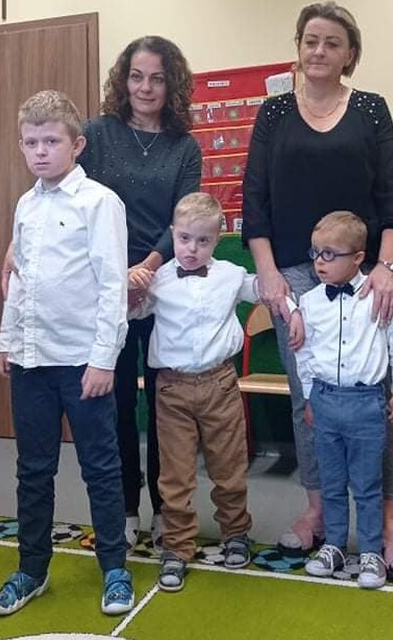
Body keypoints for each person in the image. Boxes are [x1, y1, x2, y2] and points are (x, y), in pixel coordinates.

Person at [242, 0, 393, 575]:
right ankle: (319, 512)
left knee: (374, 397)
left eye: (332, 42)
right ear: (298, 47)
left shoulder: (370, 109)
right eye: (310, 40)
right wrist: (269, 273)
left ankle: (389, 522)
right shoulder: (273, 113)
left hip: (366, 272)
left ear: (350, 54)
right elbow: (255, 201)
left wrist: (387, 268)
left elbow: (392, 197)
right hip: (294, 274)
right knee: (309, 399)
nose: (318, 51)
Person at [0, 90, 134, 616]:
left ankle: (114, 568)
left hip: (82, 362)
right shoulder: (25, 205)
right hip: (32, 361)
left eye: (51, 141)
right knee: (33, 469)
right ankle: (32, 569)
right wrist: (8, 339)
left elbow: (112, 286)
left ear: (76, 145)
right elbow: (20, 280)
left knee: (100, 467)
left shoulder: (99, 202)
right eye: (31, 142)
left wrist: (103, 359)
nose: (40, 151)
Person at [128, 192, 302, 592]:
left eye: (203, 240)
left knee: (230, 467)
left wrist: (292, 311)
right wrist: (129, 287)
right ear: (172, 234)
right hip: (171, 389)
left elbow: (269, 290)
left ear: (217, 239)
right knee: (174, 476)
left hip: (220, 384)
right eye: (184, 238)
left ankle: (236, 532)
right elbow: (129, 312)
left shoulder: (230, 275)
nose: (192, 249)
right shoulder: (158, 279)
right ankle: (176, 547)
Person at [78, 36, 202, 550]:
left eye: (156, 78)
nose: (145, 87)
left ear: (172, 84)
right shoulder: (95, 134)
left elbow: (185, 220)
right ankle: (125, 508)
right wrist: (118, 279)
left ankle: (167, 510)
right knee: (116, 407)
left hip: (164, 286)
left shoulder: (185, 146)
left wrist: (146, 270)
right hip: (104, 287)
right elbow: (66, 196)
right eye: (136, 76)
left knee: (164, 407)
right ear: (122, 79)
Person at [291, 211, 393, 589]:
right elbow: (304, 354)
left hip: (366, 404)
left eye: (330, 254)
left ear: (359, 257)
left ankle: (372, 551)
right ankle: (334, 545)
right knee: (331, 481)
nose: (319, 262)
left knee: (367, 484)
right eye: (315, 253)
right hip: (325, 399)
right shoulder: (309, 301)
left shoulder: (381, 295)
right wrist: (310, 397)